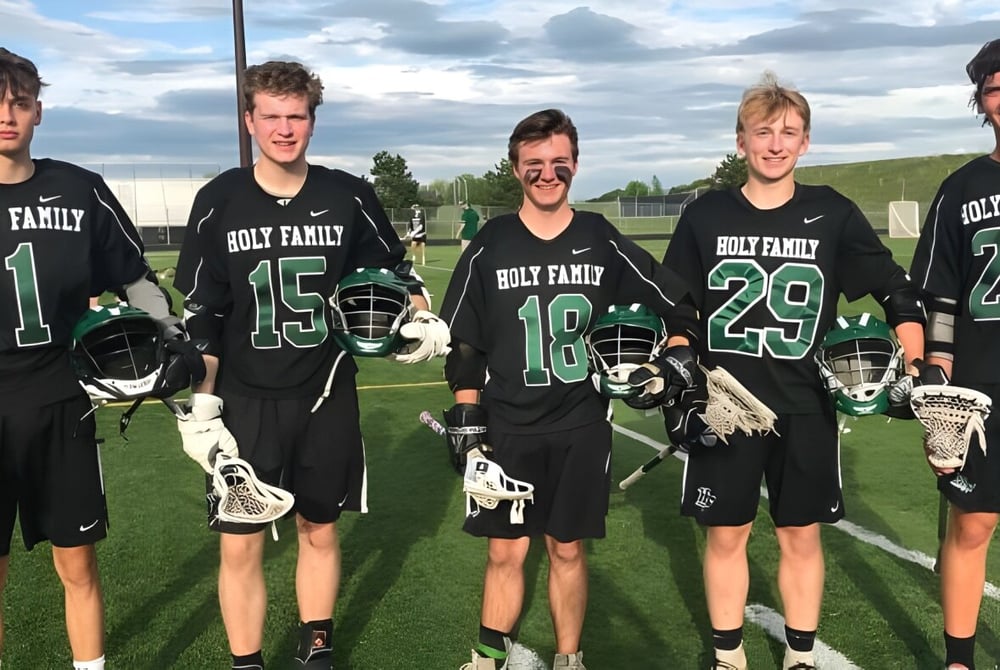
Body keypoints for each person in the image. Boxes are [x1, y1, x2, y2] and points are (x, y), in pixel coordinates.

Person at [173, 60, 444, 670]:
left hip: (325, 393)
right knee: (240, 545)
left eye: (296, 116)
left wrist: (421, 314)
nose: (284, 128)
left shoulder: (347, 194)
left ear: (313, 122)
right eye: (271, 116)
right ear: (249, 121)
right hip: (244, 399)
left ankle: (315, 650)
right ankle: (247, 662)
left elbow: (398, 275)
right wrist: (204, 405)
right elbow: (203, 315)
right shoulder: (219, 200)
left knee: (319, 528)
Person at [660, 72, 930, 670]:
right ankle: (729, 656)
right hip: (725, 403)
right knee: (726, 534)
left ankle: (800, 657)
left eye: (789, 133)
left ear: (806, 143)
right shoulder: (706, 215)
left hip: (806, 402)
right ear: (741, 142)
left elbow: (896, 291)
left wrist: (916, 366)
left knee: (799, 535)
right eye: (763, 132)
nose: (775, 144)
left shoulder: (830, 212)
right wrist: (679, 351)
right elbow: (676, 302)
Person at [438, 108, 700, 670]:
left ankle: (568, 658)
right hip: (507, 423)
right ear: (515, 169)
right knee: (505, 550)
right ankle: (487, 659)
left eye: (559, 162)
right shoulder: (491, 243)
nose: (547, 173)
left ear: (576, 165)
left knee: (567, 548)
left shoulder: (599, 238)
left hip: (582, 422)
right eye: (534, 163)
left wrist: (676, 352)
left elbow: (676, 302)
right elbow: (465, 342)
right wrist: (467, 418)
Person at [0, 48, 176, 670]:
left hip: (60, 399)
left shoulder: (80, 189)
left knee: (77, 561)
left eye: (20, 102)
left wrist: (172, 334)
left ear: (39, 111)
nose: (7, 115)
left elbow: (136, 277)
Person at [909, 38, 1000, 670]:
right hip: (984, 378)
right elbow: (938, 295)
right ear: (982, 102)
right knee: (973, 525)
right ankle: (960, 660)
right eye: (995, 88)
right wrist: (936, 381)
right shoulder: (962, 187)